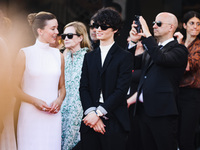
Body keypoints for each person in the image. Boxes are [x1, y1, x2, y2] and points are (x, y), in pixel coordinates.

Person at [129, 12, 188, 150]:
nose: (154, 26)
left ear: (171, 27)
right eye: (153, 23)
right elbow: (131, 65)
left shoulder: (179, 49)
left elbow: (161, 59)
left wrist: (147, 35)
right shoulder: (152, 49)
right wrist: (133, 41)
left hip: (163, 112)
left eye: (158, 23)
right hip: (142, 110)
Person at [79, 7, 133, 150]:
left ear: (115, 30)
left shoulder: (125, 57)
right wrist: (91, 113)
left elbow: (121, 90)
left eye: (103, 26)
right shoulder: (89, 57)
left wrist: (98, 113)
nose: (98, 29)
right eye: (96, 26)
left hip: (114, 119)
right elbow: (83, 87)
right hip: (89, 120)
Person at [14, 11, 66, 150]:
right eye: (53, 28)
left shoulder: (59, 56)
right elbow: (13, 88)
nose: (57, 32)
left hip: (53, 116)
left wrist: (59, 100)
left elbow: (62, 87)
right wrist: (34, 101)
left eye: (57, 28)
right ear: (40, 31)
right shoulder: (25, 53)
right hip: (30, 115)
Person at [61, 21, 91, 150]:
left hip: (81, 111)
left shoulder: (89, 57)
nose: (66, 39)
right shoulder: (62, 57)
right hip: (61, 109)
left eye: (70, 35)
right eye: (64, 36)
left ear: (80, 37)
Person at [174, 11, 200, 150]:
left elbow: (188, 66)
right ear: (184, 25)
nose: (195, 27)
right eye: (192, 23)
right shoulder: (180, 43)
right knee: (174, 134)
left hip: (192, 94)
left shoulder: (198, 46)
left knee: (186, 136)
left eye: (198, 24)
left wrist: (179, 45)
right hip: (176, 92)